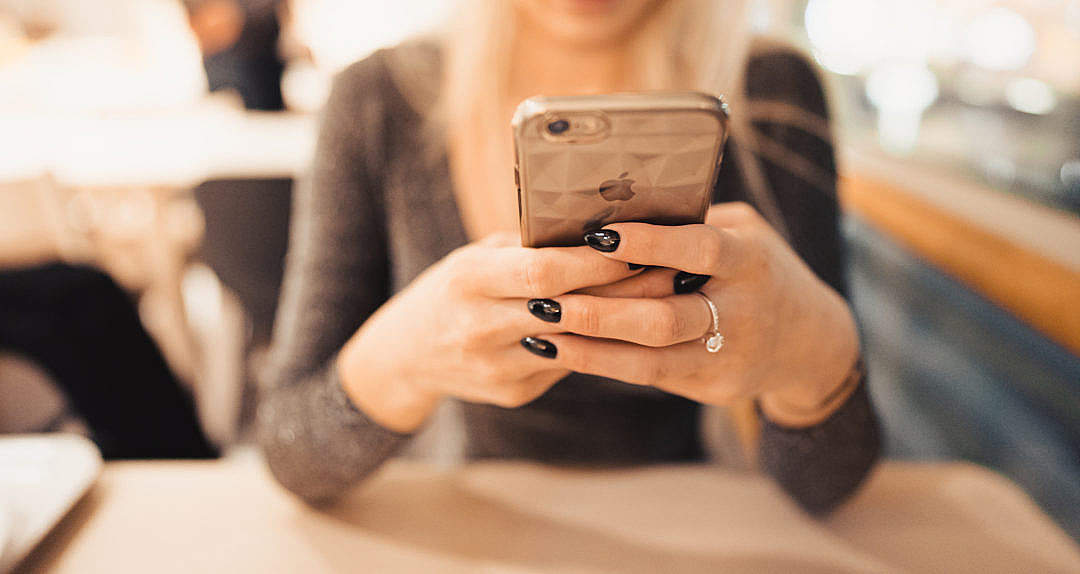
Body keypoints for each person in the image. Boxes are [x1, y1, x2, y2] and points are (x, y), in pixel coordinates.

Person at [257, 0, 880, 513]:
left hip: (683, 533)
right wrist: (402, 360)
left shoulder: (771, 91)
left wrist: (815, 354)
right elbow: (291, 451)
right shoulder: (378, 98)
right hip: (456, 535)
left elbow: (829, 484)